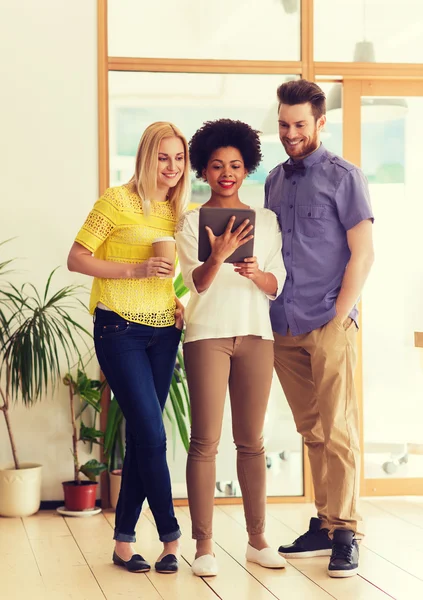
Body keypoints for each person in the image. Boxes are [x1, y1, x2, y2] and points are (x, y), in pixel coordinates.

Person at [67, 122, 189, 574]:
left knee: (144, 436)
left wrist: (174, 296)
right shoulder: (115, 201)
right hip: (119, 328)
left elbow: (169, 270)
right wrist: (133, 271)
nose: (172, 167)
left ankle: (123, 542)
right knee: (153, 435)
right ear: (146, 156)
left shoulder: (177, 210)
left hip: (163, 330)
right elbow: (77, 257)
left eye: (179, 158)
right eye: (163, 157)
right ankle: (172, 538)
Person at [265, 80, 374, 578]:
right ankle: (326, 524)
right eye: (284, 124)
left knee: (339, 428)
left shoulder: (344, 177)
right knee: (311, 429)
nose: (290, 133)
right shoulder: (274, 181)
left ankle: (347, 531)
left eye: (300, 125)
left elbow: (363, 252)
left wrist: (341, 313)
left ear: (320, 122)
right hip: (283, 323)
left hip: (329, 321)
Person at [175, 118, 287, 577]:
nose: (227, 173)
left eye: (235, 165)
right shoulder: (189, 222)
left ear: (247, 169)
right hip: (206, 336)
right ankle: (203, 545)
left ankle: (257, 540)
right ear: (203, 169)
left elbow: (275, 285)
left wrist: (255, 271)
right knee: (204, 442)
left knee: (252, 442)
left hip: (256, 336)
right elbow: (195, 285)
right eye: (217, 165)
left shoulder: (267, 221)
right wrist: (218, 255)